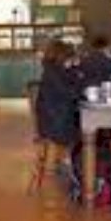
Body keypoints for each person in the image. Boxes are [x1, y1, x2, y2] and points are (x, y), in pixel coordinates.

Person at [35, 40, 83, 202]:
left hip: (54, 117)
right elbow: (69, 92)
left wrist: (74, 68)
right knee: (83, 134)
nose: (70, 60)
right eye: (68, 57)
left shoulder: (54, 70)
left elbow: (72, 83)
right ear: (61, 56)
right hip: (53, 122)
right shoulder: (53, 72)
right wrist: (80, 85)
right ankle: (70, 165)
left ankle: (69, 164)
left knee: (81, 130)